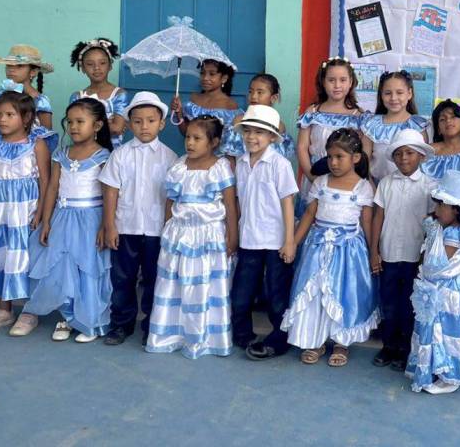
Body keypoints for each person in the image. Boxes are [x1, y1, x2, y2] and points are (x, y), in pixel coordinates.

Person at [11, 99, 114, 341]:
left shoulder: (104, 156)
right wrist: (46, 221)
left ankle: (89, 321)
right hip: (62, 217)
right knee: (60, 265)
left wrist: (105, 225)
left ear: (97, 125)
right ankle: (67, 316)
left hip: (90, 220)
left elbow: (110, 193)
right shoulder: (61, 154)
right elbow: (52, 189)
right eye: (70, 122)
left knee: (86, 268)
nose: (74, 126)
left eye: (81, 121)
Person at [281, 128, 379, 367]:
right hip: (317, 248)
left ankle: (341, 342)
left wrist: (372, 252)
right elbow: (309, 216)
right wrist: (293, 242)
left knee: (344, 294)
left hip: (349, 251)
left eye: (339, 157)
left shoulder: (363, 187)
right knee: (315, 294)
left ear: (355, 158)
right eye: (330, 156)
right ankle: (314, 339)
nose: (333, 162)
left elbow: (367, 222)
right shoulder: (321, 183)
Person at [146, 116, 238, 358]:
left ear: (214, 142)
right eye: (188, 137)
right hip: (179, 234)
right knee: (174, 284)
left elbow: (230, 204)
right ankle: (170, 335)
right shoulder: (179, 166)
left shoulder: (220, 168)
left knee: (204, 286)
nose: (190, 143)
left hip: (209, 235)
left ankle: (204, 339)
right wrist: (166, 228)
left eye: (197, 138)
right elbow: (170, 201)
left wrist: (232, 237)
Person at [99, 92, 177, 346]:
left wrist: (168, 228)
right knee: (123, 277)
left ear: (162, 123)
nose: (145, 126)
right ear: (130, 123)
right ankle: (121, 323)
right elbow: (110, 190)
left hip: (156, 230)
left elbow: (171, 198)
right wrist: (110, 225)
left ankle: (152, 325)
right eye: (138, 121)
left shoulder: (171, 158)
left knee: (155, 278)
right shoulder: (120, 155)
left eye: (151, 120)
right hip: (126, 227)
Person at [0, 92, 51, 333]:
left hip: (24, 209)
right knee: (0, 254)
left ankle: (29, 311)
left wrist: (41, 212)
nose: (2, 120)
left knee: (24, 257)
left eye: (9, 114)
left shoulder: (36, 144)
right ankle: (3, 309)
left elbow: (46, 182)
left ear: (26, 117)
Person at [229, 105, 298, 360]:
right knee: (241, 294)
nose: (251, 137)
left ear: (272, 137)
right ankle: (242, 336)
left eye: (259, 132)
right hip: (249, 239)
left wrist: (289, 241)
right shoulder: (241, 162)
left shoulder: (279, 164)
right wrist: (234, 235)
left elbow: (287, 204)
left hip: (276, 241)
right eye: (247, 131)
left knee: (277, 296)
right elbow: (238, 202)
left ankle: (279, 340)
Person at [406, 170, 460, 394]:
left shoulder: (454, 235)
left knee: (447, 332)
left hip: (446, 291)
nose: (437, 210)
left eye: (442, 206)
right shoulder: (443, 229)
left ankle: (450, 375)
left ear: (456, 209)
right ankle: (437, 369)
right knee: (436, 330)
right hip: (437, 289)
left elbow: (437, 263)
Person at [370, 128, 435, 370]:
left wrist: (425, 257)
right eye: (398, 154)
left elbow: (432, 223)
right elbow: (378, 216)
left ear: (421, 156)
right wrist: (374, 250)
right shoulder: (386, 183)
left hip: (413, 256)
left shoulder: (429, 186)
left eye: (409, 153)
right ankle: (389, 346)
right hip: (388, 254)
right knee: (388, 302)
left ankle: (406, 349)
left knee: (409, 305)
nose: (404, 158)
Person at [296, 57, 366, 213]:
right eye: (331, 80)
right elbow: (302, 147)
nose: (337, 85)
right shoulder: (313, 112)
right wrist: (312, 177)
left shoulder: (358, 116)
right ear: (323, 81)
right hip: (315, 174)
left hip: (345, 178)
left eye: (343, 80)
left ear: (351, 82)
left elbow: (361, 152)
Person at [0, 44, 58, 152]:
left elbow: (47, 134)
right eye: (8, 65)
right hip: (4, 149)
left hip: (29, 155)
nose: (12, 69)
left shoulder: (40, 101)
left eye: (19, 66)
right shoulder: (2, 96)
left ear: (33, 72)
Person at [360, 71, 428, 183]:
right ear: (381, 95)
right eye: (387, 93)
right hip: (376, 187)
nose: (393, 98)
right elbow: (364, 163)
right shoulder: (371, 125)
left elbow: (422, 163)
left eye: (399, 92)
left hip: (410, 188)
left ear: (409, 93)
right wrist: (371, 187)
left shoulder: (417, 125)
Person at [69, 38, 129, 149]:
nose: (97, 68)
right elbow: (74, 129)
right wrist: (107, 124)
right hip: (84, 153)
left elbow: (117, 128)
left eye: (102, 63)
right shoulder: (77, 97)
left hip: (113, 152)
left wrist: (86, 126)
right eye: (90, 64)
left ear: (110, 65)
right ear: (82, 68)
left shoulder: (119, 94)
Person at [220, 74, 295, 160]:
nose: (253, 96)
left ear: (274, 98)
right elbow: (230, 156)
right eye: (250, 92)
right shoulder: (239, 120)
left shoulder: (278, 125)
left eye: (260, 92)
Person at [170, 59, 243, 136]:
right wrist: (179, 113)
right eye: (202, 73)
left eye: (212, 74)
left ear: (224, 78)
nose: (205, 78)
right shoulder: (194, 99)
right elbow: (186, 133)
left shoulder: (230, 105)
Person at [422, 99, 460, 180]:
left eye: (453, 117)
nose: (448, 120)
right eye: (442, 119)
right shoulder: (429, 151)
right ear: (438, 129)